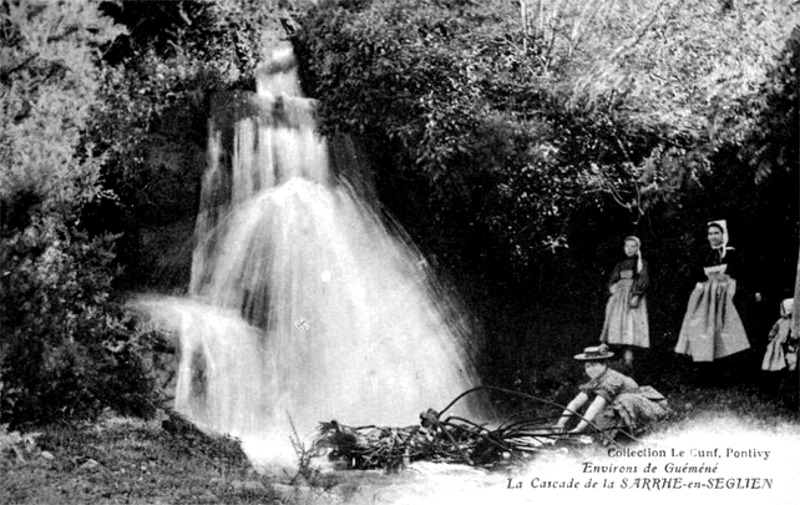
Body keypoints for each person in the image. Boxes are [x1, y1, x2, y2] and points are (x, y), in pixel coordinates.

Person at [554, 344, 668, 442]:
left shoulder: (612, 379)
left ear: (604, 365)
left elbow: (596, 405)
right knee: (600, 415)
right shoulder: (595, 380)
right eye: (587, 366)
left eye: (594, 365)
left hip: (643, 408)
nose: (590, 370)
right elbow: (575, 403)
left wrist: (579, 429)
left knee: (620, 402)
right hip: (622, 410)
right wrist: (561, 423)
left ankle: (635, 432)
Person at [674, 220, 750, 365]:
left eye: (716, 233)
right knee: (703, 327)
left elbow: (740, 273)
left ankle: (729, 365)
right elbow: (695, 273)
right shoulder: (704, 254)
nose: (713, 237)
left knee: (727, 329)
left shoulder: (731, 253)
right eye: (710, 234)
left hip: (727, 294)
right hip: (707, 297)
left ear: (723, 235)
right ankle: (707, 365)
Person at [600, 236, 650, 366]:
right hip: (618, 299)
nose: (629, 249)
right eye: (627, 246)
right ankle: (615, 361)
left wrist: (637, 295)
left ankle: (629, 361)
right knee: (616, 325)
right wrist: (612, 287)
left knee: (630, 326)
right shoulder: (620, 264)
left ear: (638, 248)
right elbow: (613, 279)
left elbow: (642, 279)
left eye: (633, 246)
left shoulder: (640, 263)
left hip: (631, 298)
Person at [761, 298, 797, 372]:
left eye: (782, 309)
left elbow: (793, 330)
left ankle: (787, 365)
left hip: (787, 339)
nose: (781, 311)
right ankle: (774, 366)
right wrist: (771, 335)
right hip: (778, 338)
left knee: (787, 352)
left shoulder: (792, 322)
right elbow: (775, 328)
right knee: (774, 350)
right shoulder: (780, 321)